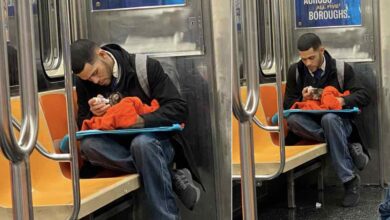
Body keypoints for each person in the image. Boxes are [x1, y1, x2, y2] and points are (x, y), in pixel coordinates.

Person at [70, 39, 201, 219]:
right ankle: (169, 174)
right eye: (88, 78)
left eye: (95, 73)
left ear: (102, 54)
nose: (95, 81)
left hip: (156, 143)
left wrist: (141, 121)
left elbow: (178, 108)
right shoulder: (85, 83)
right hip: (117, 148)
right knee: (88, 146)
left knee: (142, 145)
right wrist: (95, 114)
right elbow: (83, 124)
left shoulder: (144, 68)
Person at [284, 33, 370, 207]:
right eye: (303, 59)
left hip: (339, 123)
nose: (307, 63)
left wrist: (342, 101)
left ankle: (348, 180)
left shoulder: (341, 70)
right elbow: (288, 104)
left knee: (329, 119)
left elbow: (364, 95)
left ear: (321, 51)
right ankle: (346, 147)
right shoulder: (296, 71)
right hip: (311, 125)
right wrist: (303, 99)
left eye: (311, 58)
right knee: (293, 120)